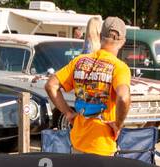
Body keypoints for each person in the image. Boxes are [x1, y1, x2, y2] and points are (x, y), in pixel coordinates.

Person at [45, 16, 131, 156]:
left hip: (77, 142)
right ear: (122, 42)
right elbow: (123, 98)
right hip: (102, 145)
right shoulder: (120, 67)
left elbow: (51, 85)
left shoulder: (79, 61)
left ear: (101, 36)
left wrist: (68, 113)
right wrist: (118, 124)